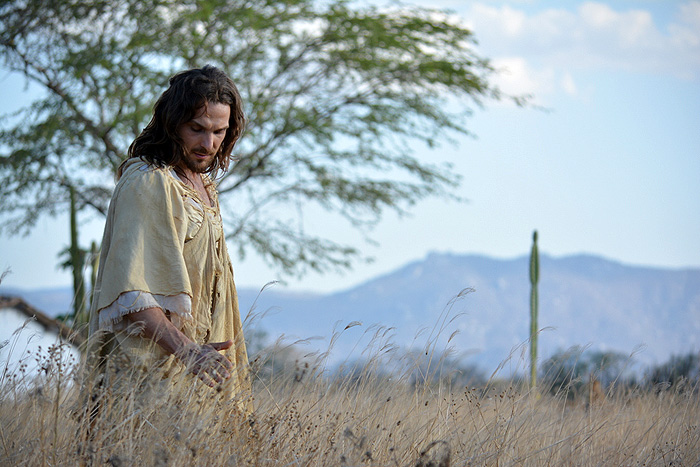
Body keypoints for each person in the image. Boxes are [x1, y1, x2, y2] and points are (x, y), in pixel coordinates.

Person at [86, 65, 250, 407]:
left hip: (201, 380)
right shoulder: (148, 182)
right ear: (172, 123)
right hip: (148, 385)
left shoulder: (201, 183)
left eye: (219, 131)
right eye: (197, 129)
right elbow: (132, 295)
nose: (209, 144)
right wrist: (187, 351)